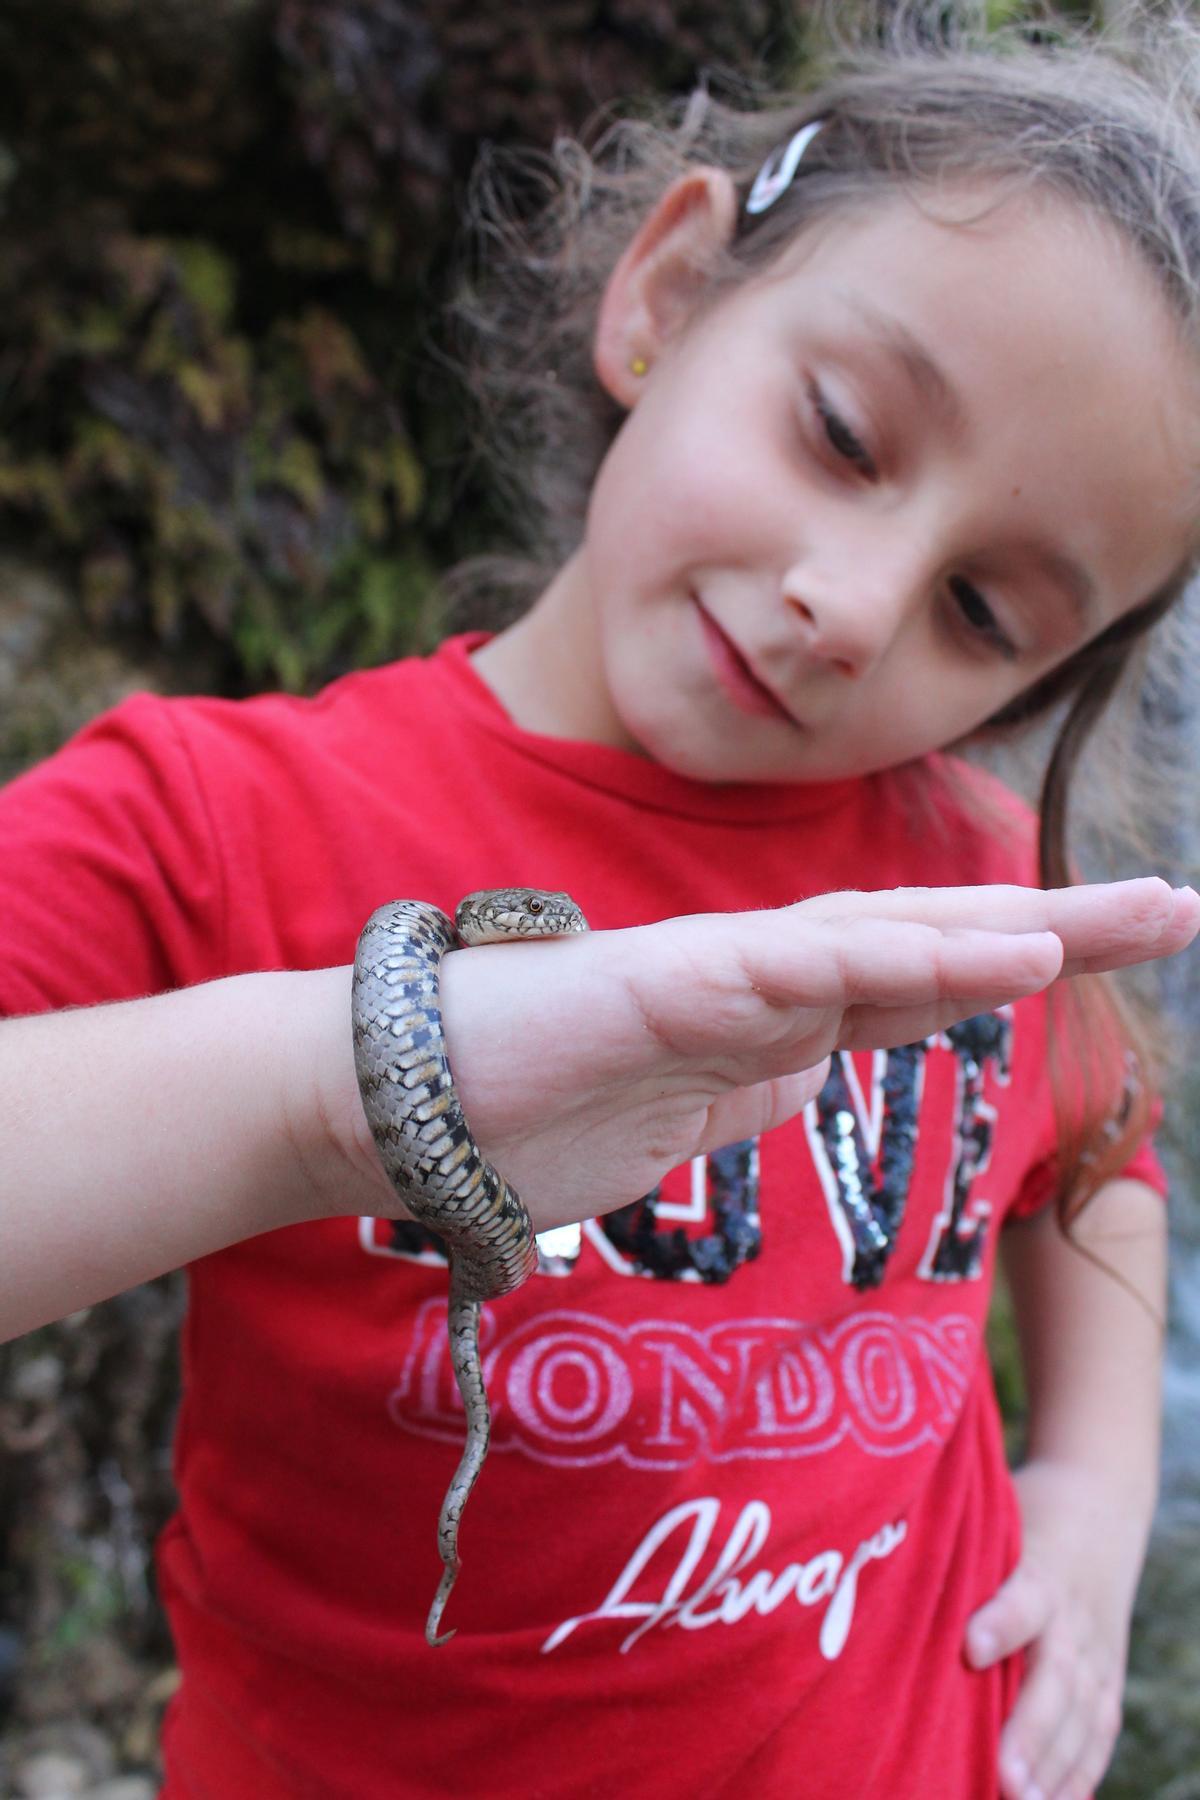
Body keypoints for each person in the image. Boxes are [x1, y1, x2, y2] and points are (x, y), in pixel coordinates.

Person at [3, 10, 1200, 1798]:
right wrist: (350, 1092)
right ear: (668, 291)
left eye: (984, 614)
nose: (855, 604)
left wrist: (1095, 1498)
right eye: (844, 433)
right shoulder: (215, 818)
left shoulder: (976, 888)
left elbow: (1102, 1156)